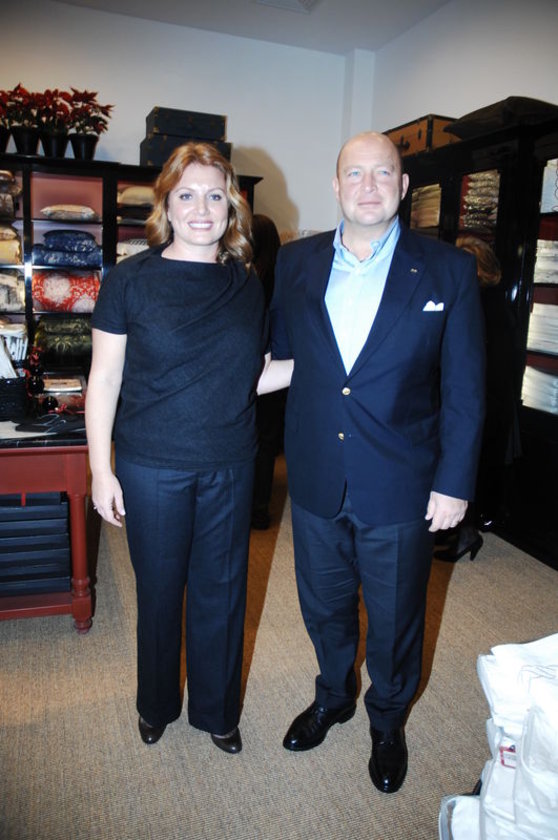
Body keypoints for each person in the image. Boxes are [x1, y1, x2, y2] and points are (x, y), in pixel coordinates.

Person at [267, 131, 485, 793]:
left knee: (394, 618)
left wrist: (453, 483)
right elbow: (283, 358)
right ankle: (334, 696)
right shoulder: (295, 262)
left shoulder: (447, 269)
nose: (369, 186)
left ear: (403, 185)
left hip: (402, 481)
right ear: (335, 186)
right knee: (324, 606)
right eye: (355, 174)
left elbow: (466, 389)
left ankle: (387, 720)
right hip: (314, 475)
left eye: (382, 173)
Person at [85, 142, 266, 754]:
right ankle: (156, 704)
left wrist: (328, 366)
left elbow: (250, 373)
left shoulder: (245, 283)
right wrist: (100, 470)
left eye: (214, 195)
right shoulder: (130, 279)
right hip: (152, 465)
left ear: (231, 206)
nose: (201, 208)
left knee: (223, 593)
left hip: (230, 463)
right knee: (160, 594)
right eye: (186, 195)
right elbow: (104, 379)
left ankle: (217, 711)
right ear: (165, 204)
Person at [435, 235, 519, 561]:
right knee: (475, 465)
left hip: (477, 400)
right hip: (495, 399)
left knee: (464, 462)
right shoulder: (499, 304)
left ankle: (464, 533)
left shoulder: (474, 304)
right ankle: (462, 531)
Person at [250, 213, 287, 529]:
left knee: (254, 439)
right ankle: (260, 508)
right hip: (281, 366)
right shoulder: (284, 274)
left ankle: (250, 504)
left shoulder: (250, 279)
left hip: (256, 363)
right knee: (266, 440)